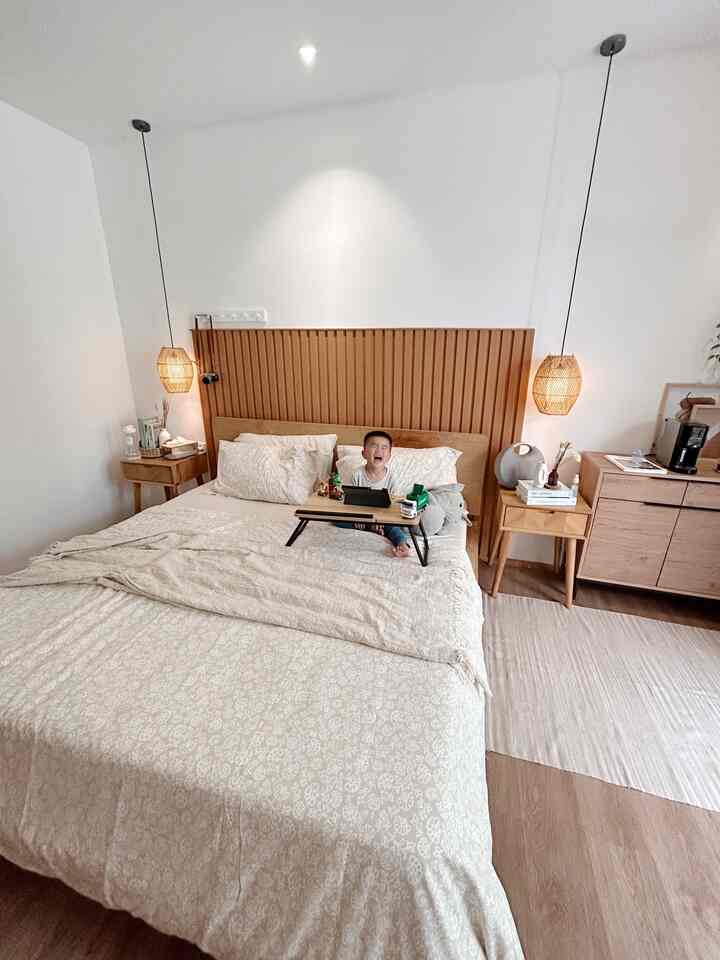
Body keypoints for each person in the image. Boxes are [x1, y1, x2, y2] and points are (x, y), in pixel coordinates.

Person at [350, 431, 411, 558]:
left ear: (389, 456)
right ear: (364, 453)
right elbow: (352, 502)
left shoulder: (392, 477)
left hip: (384, 518)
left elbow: (393, 506)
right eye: (373, 446)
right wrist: (359, 518)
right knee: (337, 521)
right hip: (362, 516)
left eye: (384, 447)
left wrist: (380, 520)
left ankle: (402, 545)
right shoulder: (357, 474)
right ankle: (370, 527)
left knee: (394, 528)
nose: (379, 450)